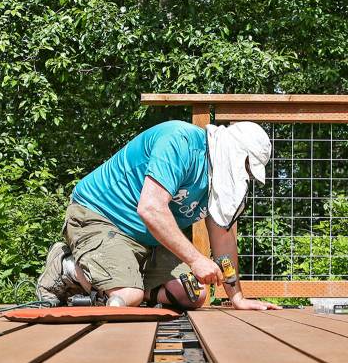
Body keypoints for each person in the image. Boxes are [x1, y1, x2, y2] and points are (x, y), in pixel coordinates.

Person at [36, 119, 282, 311]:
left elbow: (224, 240)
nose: (246, 177)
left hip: (149, 239)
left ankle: (131, 283)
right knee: (127, 297)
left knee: (194, 294)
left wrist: (237, 297)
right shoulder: (180, 141)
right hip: (101, 216)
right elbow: (151, 209)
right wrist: (196, 260)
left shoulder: (220, 182)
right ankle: (66, 267)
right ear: (235, 153)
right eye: (247, 168)